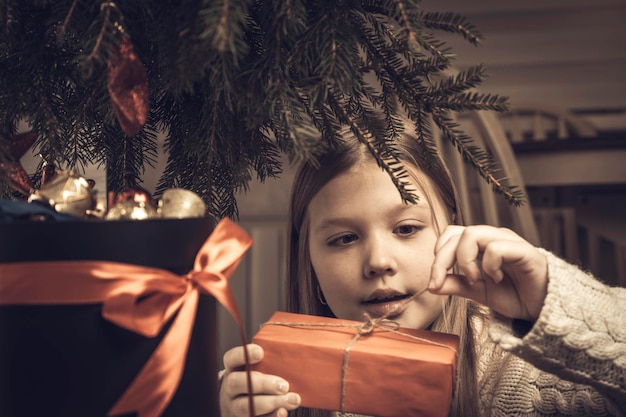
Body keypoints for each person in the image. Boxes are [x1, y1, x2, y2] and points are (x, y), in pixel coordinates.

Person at [219, 119, 626, 417]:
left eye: (407, 228)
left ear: (451, 229)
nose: (379, 261)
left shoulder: (528, 377)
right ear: (308, 259)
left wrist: (555, 301)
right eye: (344, 239)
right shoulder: (286, 393)